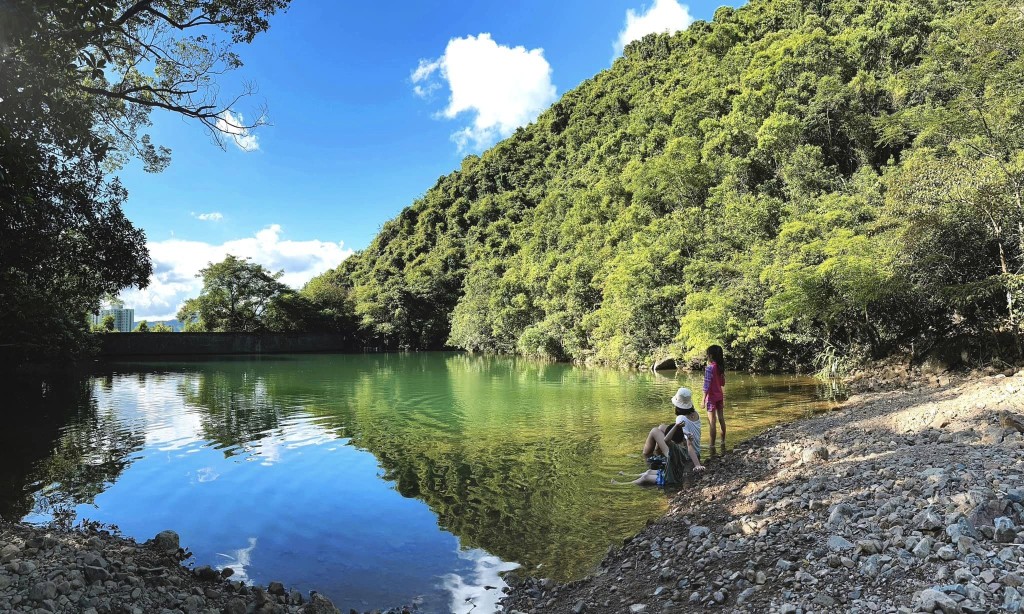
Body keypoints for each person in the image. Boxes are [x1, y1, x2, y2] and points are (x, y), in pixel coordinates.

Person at [630, 388, 705, 486]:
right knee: (661, 427)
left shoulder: (680, 418)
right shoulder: (696, 414)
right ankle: (659, 453)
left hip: (685, 455)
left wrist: (697, 464)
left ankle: (647, 456)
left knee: (654, 431)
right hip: (696, 452)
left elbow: (688, 444)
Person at [704, 344, 726, 448]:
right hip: (719, 397)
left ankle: (711, 445)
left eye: (708, 355)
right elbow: (722, 383)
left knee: (712, 421)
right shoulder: (720, 368)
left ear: (711, 356)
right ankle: (722, 442)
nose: (707, 357)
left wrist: (703, 399)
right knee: (721, 418)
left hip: (711, 398)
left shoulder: (709, 368)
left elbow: (706, 385)